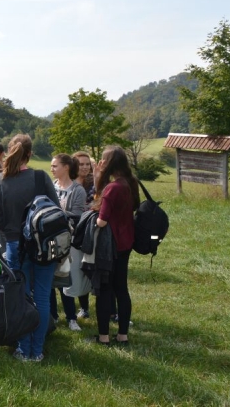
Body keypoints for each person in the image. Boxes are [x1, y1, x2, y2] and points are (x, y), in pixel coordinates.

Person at [0, 134, 59, 363]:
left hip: (14, 245)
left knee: (21, 298)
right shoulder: (41, 177)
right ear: (30, 154)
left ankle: (23, 348)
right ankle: (37, 351)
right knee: (42, 298)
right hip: (43, 246)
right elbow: (56, 212)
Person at [89, 145, 139, 346]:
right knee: (121, 289)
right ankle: (122, 335)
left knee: (104, 290)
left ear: (108, 163)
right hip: (126, 242)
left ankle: (103, 337)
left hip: (110, 246)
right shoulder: (130, 183)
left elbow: (102, 221)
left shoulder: (112, 188)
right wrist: (98, 178)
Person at [49, 154, 86, 332]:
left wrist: (55, 214)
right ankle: (53, 316)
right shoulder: (51, 186)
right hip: (50, 240)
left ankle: (71, 318)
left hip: (67, 241)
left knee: (65, 278)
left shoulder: (78, 190)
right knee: (49, 279)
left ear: (66, 167)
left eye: (55, 166)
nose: (52, 169)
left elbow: (77, 215)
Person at [71, 150, 94, 319]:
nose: (85, 167)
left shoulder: (95, 183)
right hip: (75, 233)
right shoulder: (69, 184)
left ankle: (110, 309)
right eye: (81, 164)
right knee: (79, 269)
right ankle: (83, 307)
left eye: (87, 164)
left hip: (93, 230)